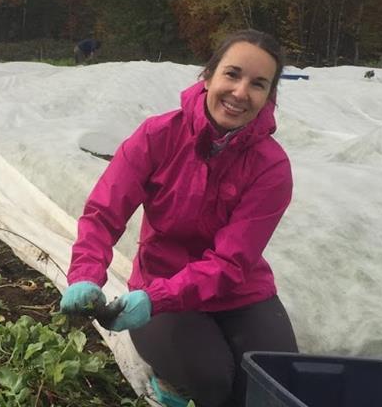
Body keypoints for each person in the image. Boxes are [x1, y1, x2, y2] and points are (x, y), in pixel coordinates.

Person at [59, 29, 298, 407]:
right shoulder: (158, 136)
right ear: (208, 76)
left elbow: (230, 262)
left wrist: (155, 298)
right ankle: (173, 383)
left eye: (258, 84)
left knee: (275, 384)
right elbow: (103, 213)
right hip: (161, 289)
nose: (240, 92)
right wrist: (86, 275)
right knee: (213, 381)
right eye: (232, 74)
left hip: (237, 290)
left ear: (270, 96)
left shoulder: (271, 166)